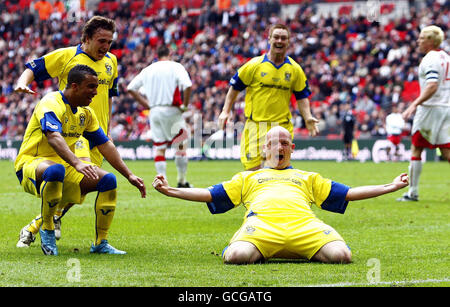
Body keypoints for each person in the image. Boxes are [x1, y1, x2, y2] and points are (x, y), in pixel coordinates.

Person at [153, 126, 409, 264]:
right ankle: (255, 246)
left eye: (285, 143)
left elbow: (350, 193)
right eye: (274, 143)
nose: (280, 147)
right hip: (262, 227)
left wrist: (391, 186)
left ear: (292, 149)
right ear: (265, 148)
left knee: (342, 256)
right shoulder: (248, 178)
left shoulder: (307, 178)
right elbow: (209, 194)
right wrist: (170, 191)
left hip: (304, 227)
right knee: (236, 257)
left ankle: (293, 249)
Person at [14, 64, 146, 255]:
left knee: (108, 180)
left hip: (64, 165)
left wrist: (130, 175)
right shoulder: (51, 102)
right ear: (74, 86)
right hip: (31, 163)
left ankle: (100, 243)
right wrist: (77, 162)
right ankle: (47, 229)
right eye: (91, 87)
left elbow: (105, 144)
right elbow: (53, 137)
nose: (95, 92)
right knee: (56, 170)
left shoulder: (86, 113)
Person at [14, 16, 119, 246]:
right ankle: (41, 227)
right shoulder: (67, 55)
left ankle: (40, 224)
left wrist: (108, 128)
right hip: (76, 133)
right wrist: (23, 82)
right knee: (77, 179)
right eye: (101, 40)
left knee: (78, 191)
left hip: (97, 134)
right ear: (87, 38)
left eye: (109, 42)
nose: (106, 46)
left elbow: (110, 96)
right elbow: (35, 67)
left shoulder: (112, 61)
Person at [217, 23, 319, 171]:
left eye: (283, 38)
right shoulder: (254, 65)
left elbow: (302, 96)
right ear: (269, 39)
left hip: (281, 127)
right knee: (252, 174)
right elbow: (235, 88)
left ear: (288, 41)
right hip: (255, 125)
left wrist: (308, 117)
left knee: (278, 172)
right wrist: (225, 110)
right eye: (276, 37)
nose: (279, 41)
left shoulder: (295, 69)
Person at [127, 45, 193, 188]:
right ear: (169, 54)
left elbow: (130, 88)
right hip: (173, 110)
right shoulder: (176, 67)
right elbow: (188, 85)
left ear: (157, 55)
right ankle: (182, 181)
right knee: (180, 146)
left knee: (160, 147)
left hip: (155, 111)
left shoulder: (148, 70)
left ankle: (162, 182)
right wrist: (185, 105)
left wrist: (146, 104)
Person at [397, 25, 450, 202]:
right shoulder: (446, 57)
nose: (418, 41)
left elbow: (432, 85)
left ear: (431, 41)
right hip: (446, 108)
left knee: (416, 147)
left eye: (421, 38)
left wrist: (414, 104)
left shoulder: (430, 59)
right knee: (446, 151)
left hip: (430, 109)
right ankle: (412, 192)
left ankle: (412, 192)